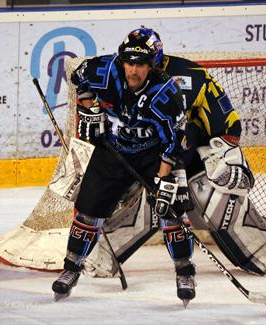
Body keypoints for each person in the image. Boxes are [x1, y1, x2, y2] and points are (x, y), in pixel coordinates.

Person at [81, 27, 266, 307]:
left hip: (177, 164)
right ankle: (97, 253)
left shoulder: (192, 77)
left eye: (143, 63)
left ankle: (259, 254)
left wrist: (224, 162)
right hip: (135, 160)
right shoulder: (116, 75)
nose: (135, 70)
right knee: (120, 198)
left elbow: (229, 125)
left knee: (205, 199)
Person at [51, 28, 187, 301]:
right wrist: (89, 108)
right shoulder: (104, 70)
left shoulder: (167, 94)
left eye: (140, 64)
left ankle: (185, 271)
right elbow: (80, 77)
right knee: (88, 212)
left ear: (153, 65)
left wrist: (162, 180)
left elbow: (175, 141)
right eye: (129, 62)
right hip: (112, 150)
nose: (133, 71)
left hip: (153, 154)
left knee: (171, 209)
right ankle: (71, 269)